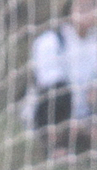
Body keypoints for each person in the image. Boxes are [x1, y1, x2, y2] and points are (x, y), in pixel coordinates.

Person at [30, 0, 97, 156]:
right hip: (55, 114)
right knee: (58, 92)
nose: (87, 12)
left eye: (92, 7)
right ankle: (55, 144)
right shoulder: (51, 41)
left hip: (86, 114)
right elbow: (49, 85)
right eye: (82, 6)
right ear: (69, 9)